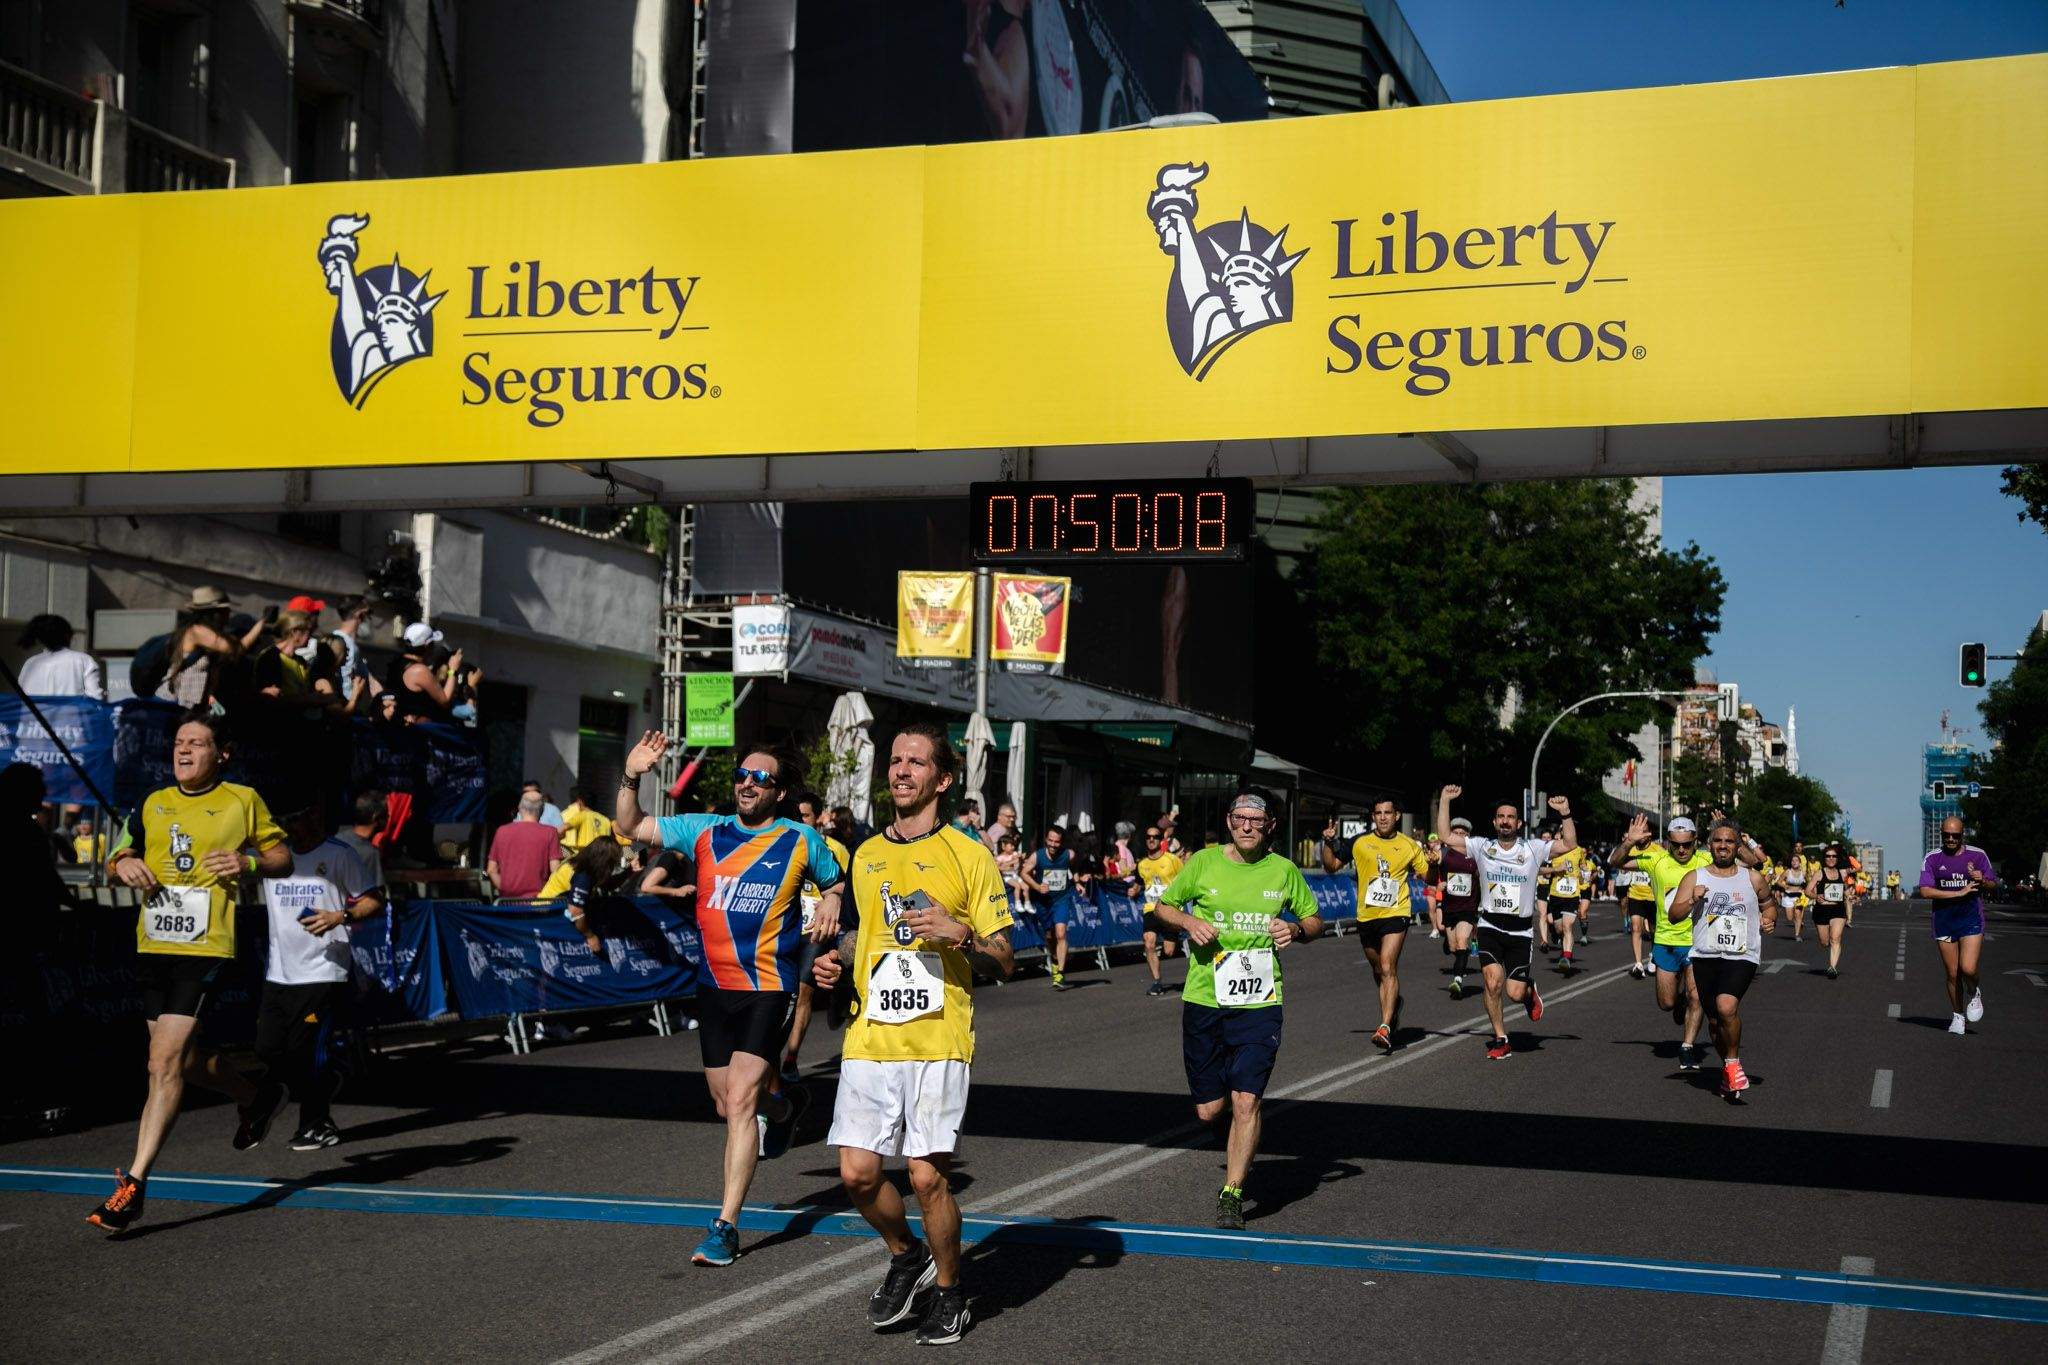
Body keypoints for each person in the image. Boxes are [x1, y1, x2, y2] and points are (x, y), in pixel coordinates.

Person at [813, 723, 1014, 1344]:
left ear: (942, 779)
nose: (900, 771)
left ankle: (952, 1293)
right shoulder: (867, 854)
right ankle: (906, 1254)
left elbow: (1005, 957)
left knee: (926, 1178)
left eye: (915, 762)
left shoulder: (969, 854)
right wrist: (836, 960)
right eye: (895, 761)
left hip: (937, 1039)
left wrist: (961, 934)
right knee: (856, 1176)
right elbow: (861, 935)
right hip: (871, 1036)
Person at [616, 732, 843, 1268]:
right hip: (713, 987)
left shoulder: (800, 839)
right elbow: (629, 826)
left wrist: (831, 900)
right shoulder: (704, 831)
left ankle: (725, 1227)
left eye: (760, 777)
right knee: (725, 1103)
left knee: (740, 1102)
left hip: (768, 986)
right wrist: (632, 775)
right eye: (742, 774)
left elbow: (837, 881)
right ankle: (787, 1104)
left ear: (780, 792)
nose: (747, 783)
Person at [87, 710, 291, 1233]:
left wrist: (246, 864)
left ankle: (132, 1186)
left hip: (205, 945)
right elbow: (120, 851)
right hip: (154, 941)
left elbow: (281, 856)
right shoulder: (154, 802)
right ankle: (256, 1095)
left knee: (162, 1063)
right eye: (179, 742)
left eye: (197, 744)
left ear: (221, 754)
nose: (183, 751)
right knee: (182, 1060)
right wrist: (122, 863)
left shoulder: (242, 800)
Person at [1153, 787, 1321, 1227]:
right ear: (1230, 821)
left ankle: (1232, 1191)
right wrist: (1189, 921)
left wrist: (1296, 931)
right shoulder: (1203, 862)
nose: (1247, 826)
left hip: (1260, 1001)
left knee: (1247, 1100)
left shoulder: (1283, 871)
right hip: (1205, 998)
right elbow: (1162, 906)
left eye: (1256, 819)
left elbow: (1314, 919)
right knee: (1210, 1109)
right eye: (1239, 818)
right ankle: (1227, 1120)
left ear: (1268, 827)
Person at [255, 802, 385, 1151]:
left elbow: (375, 900)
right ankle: (330, 1077)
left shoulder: (339, 855)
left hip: (324, 968)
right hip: (280, 970)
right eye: (286, 819)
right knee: (266, 1048)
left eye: (298, 816)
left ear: (315, 815)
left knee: (306, 1050)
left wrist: (339, 916)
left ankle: (317, 1123)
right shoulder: (272, 858)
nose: (292, 825)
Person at [1437, 787, 1574, 1061]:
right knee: (1491, 982)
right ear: (1494, 821)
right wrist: (1444, 801)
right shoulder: (1481, 847)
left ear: (1518, 823)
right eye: (1501, 816)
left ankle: (1527, 993)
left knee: (1514, 992)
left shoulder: (1533, 849)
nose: (1505, 821)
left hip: (1520, 930)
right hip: (1489, 926)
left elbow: (1569, 844)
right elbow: (1445, 836)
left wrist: (1565, 814)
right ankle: (1501, 1037)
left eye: (1510, 817)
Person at [1669, 819, 1777, 1097]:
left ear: (1738, 846)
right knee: (1715, 1023)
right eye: (1718, 841)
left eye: (1729, 841)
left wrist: (1769, 919)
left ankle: (1732, 1064)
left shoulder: (1751, 877)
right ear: (1709, 845)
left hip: (1742, 954)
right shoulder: (1695, 877)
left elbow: (1768, 905)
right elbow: (1674, 915)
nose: (1723, 846)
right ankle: (1728, 1069)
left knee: (1726, 1006)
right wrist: (1692, 900)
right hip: (1705, 954)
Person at [1320, 798, 1427, 1052]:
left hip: (1396, 912)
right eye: (1378, 813)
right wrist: (1327, 843)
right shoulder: (1360, 841)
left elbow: (1427, 876)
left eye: (1387, 813)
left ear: (1397, 815)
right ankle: (1394, 1004)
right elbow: (1331, 866)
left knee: (1389, 966)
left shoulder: (1408, 845)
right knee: (1379, 969)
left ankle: (1385, 1026)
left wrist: (1432, 863)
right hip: (1367, 916)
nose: (1382, 817)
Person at [1611, 814, 1713, 1070]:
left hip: (1697, 941)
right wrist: (1628, 842)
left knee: (1696, 997)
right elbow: (1616, 862)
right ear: (1667, 842)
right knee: (1666, 1003)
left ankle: (1687, 1047)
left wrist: (1729, 834)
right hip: (1666, 940)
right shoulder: (1656, 860)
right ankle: (1680, 1001)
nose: (1681, 850)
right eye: (1675, 844)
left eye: (1687, 845)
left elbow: (1751, 862)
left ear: (1695, 842)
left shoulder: (1705, 859)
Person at [781, 790, 852, 1084]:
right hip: (784, 929)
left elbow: (848, 891)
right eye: (795, 817)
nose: (799, 822)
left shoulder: (836, 849)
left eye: (805, 817)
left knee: (803, 992)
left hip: (816, 932)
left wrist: (834, 903)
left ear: (819, 818)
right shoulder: (781, 844)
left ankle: (791, 1058)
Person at [1918, 817, 1997, 1035]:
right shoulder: (1933, 858)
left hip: (1970, 919)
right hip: (1944, 921)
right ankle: (1957, 1016)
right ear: (1941, 834)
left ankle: (1974, 991)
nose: (1951, 839)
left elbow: (1992, 884)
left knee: (1968, 968)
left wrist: (1982, 879)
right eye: (1947, 835)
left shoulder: (1978, 855)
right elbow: (1925, 890)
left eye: (1956, 835)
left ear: (1963, 835)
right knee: (1952, 974)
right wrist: (1958, 892)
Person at [1019, 824, 1077, 991]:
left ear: (1062, 842)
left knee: (1061, 933)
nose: (1052, 844)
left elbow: (1074, 868)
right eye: (1050, 840)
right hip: (1043, 902)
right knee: (1050, 936)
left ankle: (1060, 971)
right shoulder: (1037, 856)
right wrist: (1037, 887)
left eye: (1056, 842)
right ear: (1046, 840)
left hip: (1061, 899)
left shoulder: (1069, 855)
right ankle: (1054, 959)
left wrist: (1077, 881)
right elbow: (1024, 873)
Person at [1434, 816, 1482, 998]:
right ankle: (1447, 940)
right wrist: (1437, 885)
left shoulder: (1475, 856)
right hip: (1449, 906)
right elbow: (1430, 875)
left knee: (1463, 941)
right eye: (1456, 833)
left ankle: (1457, 981)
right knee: (1454, 947)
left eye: (1463, 834)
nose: (1460, 836)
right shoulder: (1443, 853)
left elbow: (1484, 877)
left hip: (1468, 907)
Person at [1135, 823, 1185, 998]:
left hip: (1170, 909)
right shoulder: (1142, 864)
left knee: (1169, 951)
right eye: (1148, 837)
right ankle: (1157, 982)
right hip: (1151, 908)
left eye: (1155, 837)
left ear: (1160, 840)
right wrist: (1133, 889)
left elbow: (1185, 878)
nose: (1151, 840)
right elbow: (1138, 883)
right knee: (1148, 941)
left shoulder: (1172, 860)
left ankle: (1172, 943)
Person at [487, 792, 561, 898]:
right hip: (539, 902)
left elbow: (491, 870)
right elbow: (556, 871)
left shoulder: (502, 831)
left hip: (508, 904)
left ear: (520, 809)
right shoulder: (551, 832)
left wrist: (505, 891)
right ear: (542, 811)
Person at [1538, 835, 1595, 973]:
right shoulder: (1555, 849)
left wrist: (1582, 876)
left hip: (1572, 895)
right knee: (1559, 928)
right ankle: (1557, 937)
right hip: (1556, 895)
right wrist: (1555, 870)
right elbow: (1543, 870)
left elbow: (1582, 868)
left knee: (1567, 925)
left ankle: (1567, 957)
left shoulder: (1579, 850)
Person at [16, 613, 104, 700]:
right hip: (69, 714)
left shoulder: (30, 663)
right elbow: (95, 698)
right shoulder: (83, 660)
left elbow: (21, 698)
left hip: (32, 714)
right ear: (67, 636)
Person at [1812, 843, 1856, 978]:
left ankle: (1832, 968)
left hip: (1838, 910)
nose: (1831, 858)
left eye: (1834, 856)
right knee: (1825, 942)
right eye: (1828, 856)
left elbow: (1855, 870)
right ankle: (1831, 962)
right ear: (1824, 858)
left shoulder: (1842, 873)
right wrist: (1816, 896)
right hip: (1821, 910)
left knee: (1835, 939)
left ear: (1837, 858)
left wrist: (1849, 895)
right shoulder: (1819, 873)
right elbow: (1808, 890)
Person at [559, 786, 612, 858]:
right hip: (601, 857)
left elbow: (563, 828)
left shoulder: (582, 815)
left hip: (585, 856)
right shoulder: (606, 820)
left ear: (580, 801)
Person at [1777, 845, 1811, 942]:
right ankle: (1797, 923)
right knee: (1790, 917)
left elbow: (1808, 883)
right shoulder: (1787, 872)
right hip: (1788, 896)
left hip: (1799, 896)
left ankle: (1797, 934)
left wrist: (1807, 890)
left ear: (1800, 863)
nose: (1794, 862)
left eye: (1796, 861)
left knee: (1798, 915)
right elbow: (1778, 881)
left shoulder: (1803, 873)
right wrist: (1784, 886)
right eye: (1793, 861)